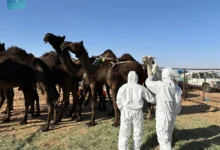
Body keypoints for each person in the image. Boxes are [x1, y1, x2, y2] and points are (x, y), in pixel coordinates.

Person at [116, 71, 155, 150]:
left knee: (124, 132)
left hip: (126, 111)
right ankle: (136, 148)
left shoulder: (123, 87)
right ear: (137, 78)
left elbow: (118, 101)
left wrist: (122, 109)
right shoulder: (140, 87)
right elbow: (151, 99)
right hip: (137, 112)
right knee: (138, 131)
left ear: (128, 78)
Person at [145, 68, 182, 150]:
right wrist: (175, 113)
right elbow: (178, 102)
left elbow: (148, 83)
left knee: (163, 138)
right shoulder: (177, 88)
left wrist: (151, 75)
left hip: (162, 116)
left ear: (164, 75)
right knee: (168, 136)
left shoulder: (161, 85)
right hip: (172, 115)